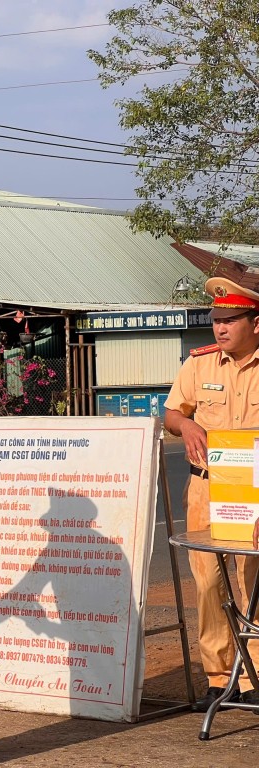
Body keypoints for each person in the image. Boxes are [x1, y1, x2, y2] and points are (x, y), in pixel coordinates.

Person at [165, 276, 259, 712]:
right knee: (208, 584)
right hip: (206, 487)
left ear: (255, 323)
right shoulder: (199, 364)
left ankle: (256, 676)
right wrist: (186, 425)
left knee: (254, 581)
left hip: (255, 491)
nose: (220, 329)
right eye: (216, 321)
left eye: (230, 320)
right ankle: (219, 676)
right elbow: (171, 412)